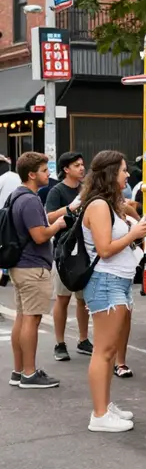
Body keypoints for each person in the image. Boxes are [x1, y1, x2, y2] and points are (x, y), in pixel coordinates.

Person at [81, 151, 146, 432]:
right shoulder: (98, 206)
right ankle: (99, 415)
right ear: (110, 174)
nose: (128, 175)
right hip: (105, 282)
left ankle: (105, 406)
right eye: (123, 170)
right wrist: (134, 234)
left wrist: (134, 231)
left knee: (108, 352)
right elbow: (105, 249)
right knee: (104, 351)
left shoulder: (108, 204)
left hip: (115, 281)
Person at [7, 152, 66, 390]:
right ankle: (30, 374)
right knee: (31, 319)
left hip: (20, 264)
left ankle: (19, 370)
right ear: (31, 174)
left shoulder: (16, 196)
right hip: (32, 267)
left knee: (22, 318)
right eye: (44, 170)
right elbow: (39, 235)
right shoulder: (30, 200)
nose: (48, 173)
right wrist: (57, 225)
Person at [46, 151, 93, 362]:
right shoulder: (56, 191)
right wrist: (69, 207)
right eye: (77, 165)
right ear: (66, 169)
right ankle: (60, 343)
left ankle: (84, 340)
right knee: (63, 299)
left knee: (83, 300)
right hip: (64, 252)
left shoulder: (86, 190)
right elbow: (47, 217)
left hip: (84, 252)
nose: (82, 168)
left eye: (82, 165)